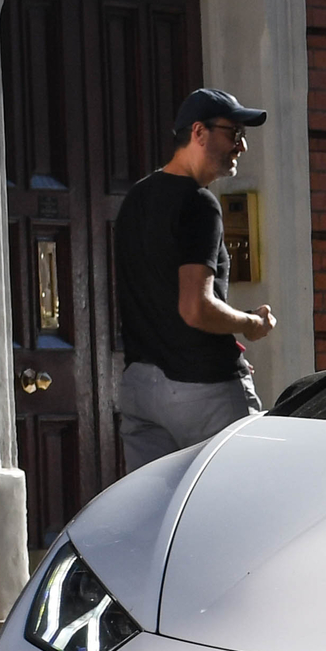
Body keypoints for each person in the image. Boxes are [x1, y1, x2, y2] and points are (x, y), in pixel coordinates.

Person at [116, 87, 276, 469]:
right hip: (203, 388)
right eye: (234, 134)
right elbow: (195, 308)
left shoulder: (135, 199)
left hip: (140, 388)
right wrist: (250, 323)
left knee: (153, 513)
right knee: (240, 501)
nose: (242, 146)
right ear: (199, 133)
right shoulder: (199, 203)